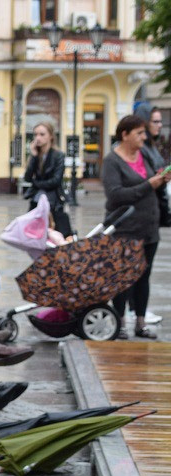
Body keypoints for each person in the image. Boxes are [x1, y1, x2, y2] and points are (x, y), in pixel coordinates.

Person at [102, 114, 170, 340]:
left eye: (144, 132)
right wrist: (148, 185)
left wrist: (161, 180)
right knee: (123, 278)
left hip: (149, 227)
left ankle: (140, 323)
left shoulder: (145, 155)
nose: (144, 137)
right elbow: (115, 196)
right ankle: (119, 323)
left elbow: (153, 184)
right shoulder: (112, 161)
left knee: (144, 276)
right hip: (125, 230)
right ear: (125, 134)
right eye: (139, 133)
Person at [22, 121, 71, 238]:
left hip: (53, 201)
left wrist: (36, 183)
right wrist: (33, 156)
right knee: (34, 236)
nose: (38, 138)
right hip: (36, 200)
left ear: (50, 136)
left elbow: (56, 180)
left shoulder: (58, 155)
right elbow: (27, 177)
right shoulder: (35, 155)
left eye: (42, 134)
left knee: (56, 236)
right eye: (35, 134)